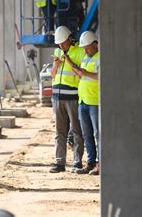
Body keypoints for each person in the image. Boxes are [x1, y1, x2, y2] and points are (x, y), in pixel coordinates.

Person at [49, 26, 86, 173]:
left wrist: (68, 60)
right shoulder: (57, 52)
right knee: (60, 131)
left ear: (70, 39)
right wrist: (56, 64)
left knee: (76, 131)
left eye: (63, 43)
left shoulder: (79, 52)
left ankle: (77, 162)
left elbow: (79, 74)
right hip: (57, 97)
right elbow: (53, 75)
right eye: (58, 43)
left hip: (72, 97)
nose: (61, 46)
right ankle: (60, 162)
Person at [71, 31, 100, 175]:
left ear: (95, 44)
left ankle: (100, 164)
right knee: (87, 134)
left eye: (87, 47)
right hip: (82, 101)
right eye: (83, 48)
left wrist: (84, 73)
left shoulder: (100, 58)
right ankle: (90, 163)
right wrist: (76, 71)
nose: (85, 50)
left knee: (98, 134)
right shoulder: (86, 59)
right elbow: (83, 78)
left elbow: (101, 76)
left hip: (94, 102)